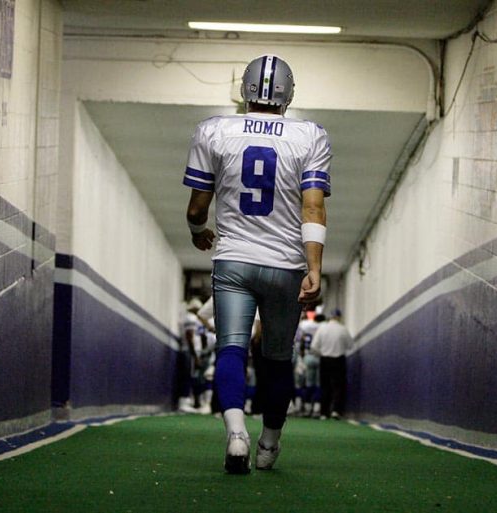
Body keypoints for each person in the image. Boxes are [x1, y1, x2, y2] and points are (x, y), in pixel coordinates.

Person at [182, 54, 331, 474]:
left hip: (233, 260)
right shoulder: (310, 136)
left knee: (231, 348)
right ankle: (269, 442)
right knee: (278, 358)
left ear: (243, 90)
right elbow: (313, 208)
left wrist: (197, 231)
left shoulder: (213, 130)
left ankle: (235, 435)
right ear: (289, 95)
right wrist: (314, 268)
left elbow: (197, 208)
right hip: (285, 264)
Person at [310, 309, 354, 419]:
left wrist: (321, 353)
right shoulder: (343, 329)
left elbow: (314, 347)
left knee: (325, 386)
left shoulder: (322, 328)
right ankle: (336, 411)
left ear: (330, 317)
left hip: (325, 359)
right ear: (339, 317)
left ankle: (324, 413)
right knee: (338, 386)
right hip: (339, 360)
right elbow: (350, 345)